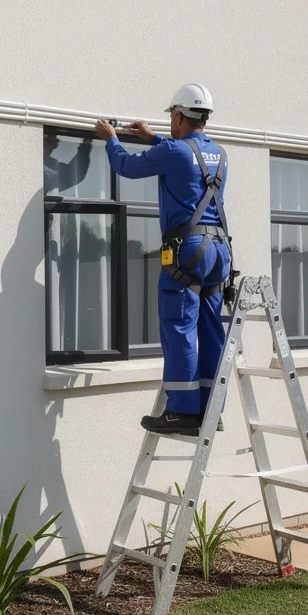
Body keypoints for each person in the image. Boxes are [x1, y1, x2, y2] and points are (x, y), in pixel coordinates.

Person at [91, 84, 233, 437]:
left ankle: (182, 412)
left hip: (188, 251)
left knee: (179, 326)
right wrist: (153, 137)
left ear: (182, 115)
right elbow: (184, 159)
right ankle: (210, 409)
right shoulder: (219, 153)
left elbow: (125, 165)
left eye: (172, 114)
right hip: (218, 251)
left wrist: (111, 138)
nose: (170, 120)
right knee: (211, 329)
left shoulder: (174, 151)